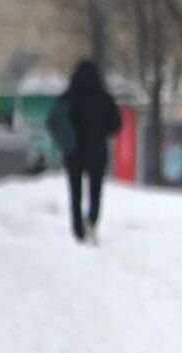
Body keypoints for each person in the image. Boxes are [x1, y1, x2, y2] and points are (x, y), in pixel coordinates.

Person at [49, 61, 122, 244]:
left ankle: (77, 229)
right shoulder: (104, 98)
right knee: (95, 189)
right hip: (97, 151)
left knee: (75, 191)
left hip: (74, 152)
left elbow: (52, 121)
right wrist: (101, 130)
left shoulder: (68, 97)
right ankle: (92, 219)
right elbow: (116, 124)